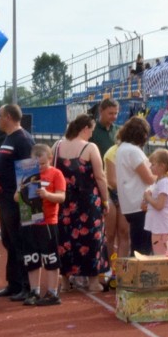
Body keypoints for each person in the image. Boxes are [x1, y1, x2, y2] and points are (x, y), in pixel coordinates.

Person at [53, 113, 110, 292]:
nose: (91, 135)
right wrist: (106, 200)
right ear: (85, 129)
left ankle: (64, 281)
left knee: (64, 239)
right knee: (92, 238)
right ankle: (93, 281)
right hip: (88, 202)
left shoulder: (57, 145)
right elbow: (100, 177)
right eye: (91, 131)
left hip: (64, 201)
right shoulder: (90, 148)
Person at [0, 104, 35, 301]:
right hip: (5, 200)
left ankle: (26, 286)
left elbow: (30, 173)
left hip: (18, 202)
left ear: (8, 117)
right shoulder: (9, 138)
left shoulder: (23, 140)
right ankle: (13, 283)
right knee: (8, 241)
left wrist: (24, 201)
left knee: (21, 242)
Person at [16, 144, 66, 306]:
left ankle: (52, 292)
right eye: (36, 163)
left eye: (43, 163)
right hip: (30, 221)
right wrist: (22, 192)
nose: (39, 167)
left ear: (50, 159)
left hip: (48, 222)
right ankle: (34, 291)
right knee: (31, 258)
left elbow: (61, 197)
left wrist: (46, 195)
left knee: (50, 258)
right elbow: (16, 198)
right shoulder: (26, 174)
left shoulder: (55, 174)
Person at [115, 116, 157, 255]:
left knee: (136, 245)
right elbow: (149, 178)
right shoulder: (133, 151)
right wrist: (163, 175)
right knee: (142, 248)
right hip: (140, 204)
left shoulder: (121, 149)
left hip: (129, 204)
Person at [143, 149, 168, 256]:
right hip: (159, 226)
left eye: (153, 165)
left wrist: (148, 197)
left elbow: (160, 205)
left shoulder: (164, 182)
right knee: (163, 255)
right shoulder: (161, 181)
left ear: (162, 166)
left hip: (161, 227)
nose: (150, 167)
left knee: (161, 257)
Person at [103, 141, 130, 259]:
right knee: (110, 234)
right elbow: (112, 181)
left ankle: (123, 269)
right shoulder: (112, 152)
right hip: (111, 192)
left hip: (125, 193)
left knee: (124, 233)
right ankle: (108, 268)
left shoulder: (135, 151)